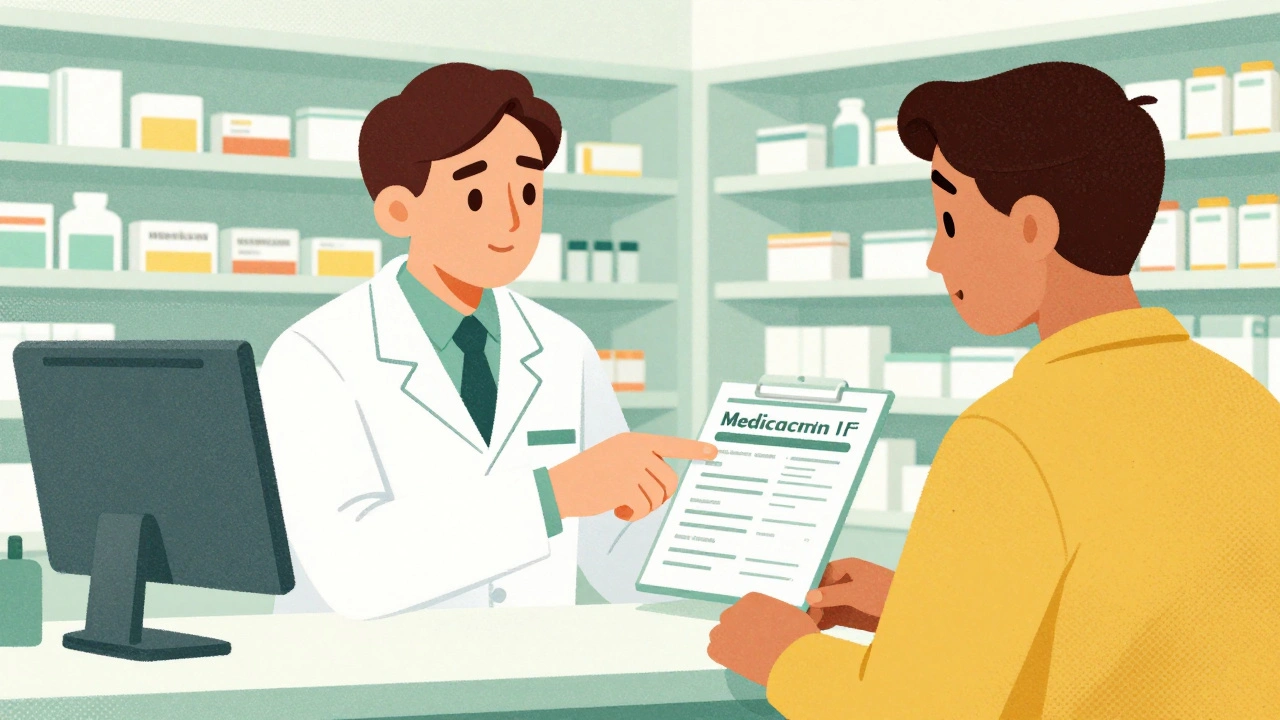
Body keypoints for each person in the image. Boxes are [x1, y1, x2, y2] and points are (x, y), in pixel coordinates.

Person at [706, 61, 1280, 718]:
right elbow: (1160, 619)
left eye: (950, 221)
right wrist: (931, 611)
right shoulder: (1245, 404)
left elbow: (912, 711)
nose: (935, 257)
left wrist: (784, 656)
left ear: (1033, 227)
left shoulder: (1011, 435)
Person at [260, 63, 715, 620]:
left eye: (527, 190)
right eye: (476, 194)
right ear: (399, 210)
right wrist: (553, 495)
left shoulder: (562, 345)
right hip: (365, 668)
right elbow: (351, 569)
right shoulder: (314, 354)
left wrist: (749, 560)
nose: (511, 219)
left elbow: (616, 553)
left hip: (526, 664)